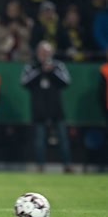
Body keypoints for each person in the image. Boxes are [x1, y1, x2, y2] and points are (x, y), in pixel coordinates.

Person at [20, 40, 72, 173]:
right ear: (37, 53)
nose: (44, 55)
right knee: (39, 140)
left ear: (52, 53)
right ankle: (40, 166)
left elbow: (66, 82)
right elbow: (24, 82)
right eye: (42, 52)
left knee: (63, 139)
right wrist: (40, 70)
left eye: (47, 52)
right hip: (39, 109)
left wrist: (52, 71)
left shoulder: (58, 65)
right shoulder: (32, 66)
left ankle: (67, 165)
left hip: (56, 108)